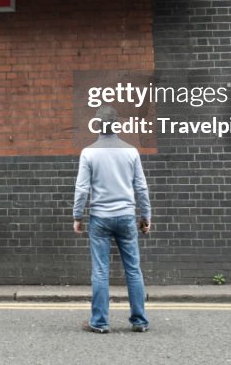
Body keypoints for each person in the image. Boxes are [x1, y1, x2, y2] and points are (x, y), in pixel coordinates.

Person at [72, 104, 151, 334]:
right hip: (126, 217)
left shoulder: (89, 153)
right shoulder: (131, 151)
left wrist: (78, 216)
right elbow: (141, 188)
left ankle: (99, 322)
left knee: (99, 270)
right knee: (133, 270)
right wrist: (145, 216)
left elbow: (82, 188)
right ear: (117, 124)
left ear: (97, 125)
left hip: (100, 219)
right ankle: (139, 321)